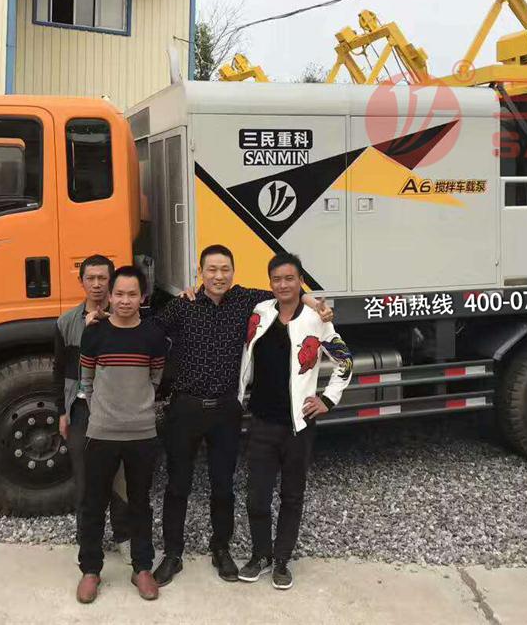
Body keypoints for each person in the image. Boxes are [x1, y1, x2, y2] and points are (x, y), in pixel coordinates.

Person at [151, 244, 332, 586]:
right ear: (200, 273)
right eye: (212, 270)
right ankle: (172, 554)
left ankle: (221, 549)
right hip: (185, 408)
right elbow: (149, 330)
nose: (219, 276)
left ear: (233, 272)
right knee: (177, 485)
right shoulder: (184, 304)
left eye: (225, 269)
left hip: (225, 410)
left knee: (223, 485)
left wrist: (315, 304)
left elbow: (287, 292)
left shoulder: (246, 300)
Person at [236, 253, 353, 590]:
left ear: (300, 280)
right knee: (257, 497)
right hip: (261, 421)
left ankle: (282, 560)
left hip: (298, 426)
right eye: (277, 279)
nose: (283, 285)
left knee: (291, 495)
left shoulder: (316, 320)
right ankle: (261, 555)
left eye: (290, 278)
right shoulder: (261, 312)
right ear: (270, 282)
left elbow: (344, 361)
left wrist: (327, 399)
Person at [75, 265, 166, 604]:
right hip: (102, 432)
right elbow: (86, 381)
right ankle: (90, 569)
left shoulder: (153, 335)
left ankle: (142, 567)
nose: (125, 300)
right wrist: (103, 411)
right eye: (119, 294)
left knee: (139, 502)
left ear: (142, 297)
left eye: (132, 294)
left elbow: (155, 378)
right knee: (93, 502)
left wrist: (136, 406)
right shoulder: (94, 334)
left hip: (142, 432)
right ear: (109, 297)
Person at [52, 255, 131, 557]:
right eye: (90, 278)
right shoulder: (66, 323)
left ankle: (124, 537)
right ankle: (88, 540)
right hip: (82, 409)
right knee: (85, 478)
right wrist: (62, 411)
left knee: (121, 477)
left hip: (118, 410)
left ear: (111, 281)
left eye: (102, 278)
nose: (97, 284)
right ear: (81, 281)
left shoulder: (127, 318)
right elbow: (61, 370)